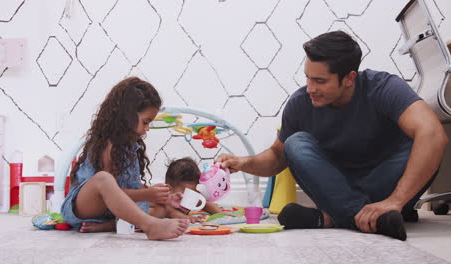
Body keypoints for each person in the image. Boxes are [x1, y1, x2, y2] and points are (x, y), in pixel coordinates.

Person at [216, 31, 448, 241]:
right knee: (294, 143)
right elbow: (277, 157)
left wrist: (395, 200)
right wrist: (243, 162)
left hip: (385, 182)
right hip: (335, 186)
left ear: (349, 78)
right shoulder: (300, 103)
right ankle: (372, 219)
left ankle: (330, 218)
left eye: (320, 81)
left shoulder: (384, 87)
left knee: (425, 139)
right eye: (307, 78)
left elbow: (434, 135)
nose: (310, 88)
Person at [61, 77, 189, 240]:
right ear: (127, 115)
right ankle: (150, 226)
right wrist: (146, 195)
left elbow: (128, 185)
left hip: (109, 212)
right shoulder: (108, 144)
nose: (147, 128)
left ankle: (109, 226)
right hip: (84, 207)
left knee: (160, 209)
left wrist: (161, 196)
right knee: (104, 179)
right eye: (145, 122)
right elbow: (109, 189)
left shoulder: (130, 146)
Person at [164, 157, 222, 222]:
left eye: (194, 194)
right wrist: (189, 218)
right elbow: (171, 213)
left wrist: (221, 214)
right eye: (185, 195)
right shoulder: (162, 201)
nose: (189, 198)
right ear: (168, 190)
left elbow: (205, 204)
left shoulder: (192, 198)